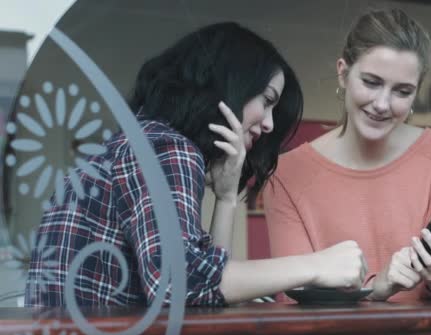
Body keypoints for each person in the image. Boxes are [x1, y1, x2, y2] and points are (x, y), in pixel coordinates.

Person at [25, 22, 367, 307]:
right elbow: (183, 283)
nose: (269, 125)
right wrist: (317, 265)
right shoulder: (166, 148)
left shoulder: (141, 140)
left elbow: (201, 294)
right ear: (230, 85)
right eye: (266, 102)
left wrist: (227, 196)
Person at [263, 9, 431, 302]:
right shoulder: (286, 174)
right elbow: (293, 304)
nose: (382, 104)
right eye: (372, 82)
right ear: (343, 72)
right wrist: (376, 289)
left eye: (402, 91)